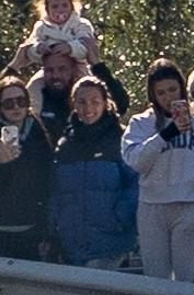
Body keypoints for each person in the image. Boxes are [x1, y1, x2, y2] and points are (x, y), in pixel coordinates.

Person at [123, 59, 194, 282]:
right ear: (153, 96)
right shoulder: (140, 124)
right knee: (157, 280)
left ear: (181, 87)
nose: (168, 97)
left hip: (190, 205)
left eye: (172, 89)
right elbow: (137, 162)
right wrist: (166, 134)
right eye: (161, 93)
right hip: (152, 207)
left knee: (191, 281)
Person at [50, 76, 139, 269]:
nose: (88, 108)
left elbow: (135, 184)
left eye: (94, 101)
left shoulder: (121, 139)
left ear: (106, 103)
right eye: (81, 102)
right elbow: (55, 191)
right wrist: (56, 225)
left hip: (111, 245)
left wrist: (119, 218)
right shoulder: (65, 144)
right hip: (71, 246)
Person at [0, 76, 52, 260]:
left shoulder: (39, 137)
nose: (16, 108)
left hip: (26, 231)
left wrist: (45, 231)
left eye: (21, 101)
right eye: (8, 103)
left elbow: (46, 186)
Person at [29, 46, 130, 145]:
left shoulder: (87, 93)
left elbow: (121, 105)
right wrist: (16, 64)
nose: (56, 75)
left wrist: (97, 64)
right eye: (49, 70)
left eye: (62, 69)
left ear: (74, 69)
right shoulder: (37, 96)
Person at [14, 0, 97, 68]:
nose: (60, 10)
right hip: (50, 68)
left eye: (65, 5)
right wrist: (38, 49)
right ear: (47, 10)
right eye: (55, 7)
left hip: (77, 66)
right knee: (36, 82)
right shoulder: (41, 27)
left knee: (87, 81)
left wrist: (71, 48)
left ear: (72, 7)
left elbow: (87, 47)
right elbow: (29, 50)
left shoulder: (81, 24)